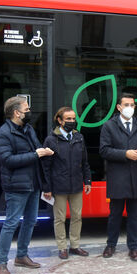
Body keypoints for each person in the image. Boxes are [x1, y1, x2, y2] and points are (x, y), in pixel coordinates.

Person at [0, 96, 53, 274]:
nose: (29, 112)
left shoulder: (28, 129)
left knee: (30, 221)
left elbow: (36, 153)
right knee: (11, 224)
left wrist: (43, 153)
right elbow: (8, 160)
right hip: (16, 186)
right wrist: (36, 154)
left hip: (33, 184)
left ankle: (21, 256)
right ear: (16, 112)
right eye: (26, 109)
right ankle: (1, 263)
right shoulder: (4, 133)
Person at [99, 93, 137, 261]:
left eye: (132, 105)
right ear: (119, 107)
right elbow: (104, 150)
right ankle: (111, 245)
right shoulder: (108, 126)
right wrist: (125, 154)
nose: (130, 107)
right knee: (114, 215)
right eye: (126, 104)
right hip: (117, 179)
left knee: (134, 216)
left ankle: (133, 248)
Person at [42, 107, 92, 259]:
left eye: (73, 119)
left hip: (76, 185)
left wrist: (87, 180)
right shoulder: (51, 139)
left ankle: (75, 246)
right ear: (59, 120)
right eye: (68, 119)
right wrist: (47, 188)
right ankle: (62, 247)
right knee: (60, 218)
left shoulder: (79, 137)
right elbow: (46, 167)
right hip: (59, 186)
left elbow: (85, 162)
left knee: (77, 216)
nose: (72, 122)